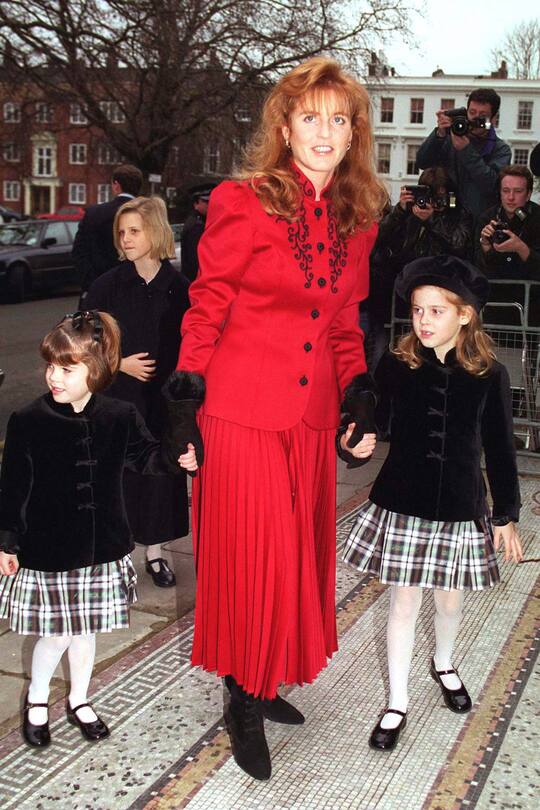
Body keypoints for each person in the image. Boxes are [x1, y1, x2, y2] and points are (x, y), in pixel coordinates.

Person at [162, 57, 384, 780]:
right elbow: (208, 302)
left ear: (355, 134)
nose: (325, 132)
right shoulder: (244, 201)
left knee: (294, 558)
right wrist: (186, 402)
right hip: (241, 409)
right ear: (285, 127)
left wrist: (358, 392)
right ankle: (241, 694)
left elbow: (346, 323)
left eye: (339, 119)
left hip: (310, 416)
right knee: (252, 556)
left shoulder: (359, 218)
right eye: (311, 117)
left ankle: (264, 675)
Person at [343, 255, 523, 752]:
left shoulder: (489, 374)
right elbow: (373, 417)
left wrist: (506, 513)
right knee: (403, 600)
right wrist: (354, 438)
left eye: (437, 311)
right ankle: (397, 700)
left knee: (449, 597)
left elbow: (501, 445)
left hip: (462, 506)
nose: (423, 320)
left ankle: (443, 662)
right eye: (418, 310)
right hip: (404, 500)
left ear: (465, 314)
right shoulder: (399, 365)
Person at [0, 311, 183, 749]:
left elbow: (148, 458)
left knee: (86, 631)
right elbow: (13, 488)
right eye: (50, 365)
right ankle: (39, 699)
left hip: (103, 545)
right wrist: (6, 541)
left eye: (67, 368)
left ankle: (80, 699)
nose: (54, 376)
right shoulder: (28, 420)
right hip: (51, 547)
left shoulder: (120, 415)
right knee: (57, 632)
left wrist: (179, 455)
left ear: (96, 369)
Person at [85, 197, 191, 588]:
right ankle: (117, 559)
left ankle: (156, 554)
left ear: (156, 231)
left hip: (162, 403)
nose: (126, 239)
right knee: (117, 477)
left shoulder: (179, 288)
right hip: (118, 399)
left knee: (160, 479)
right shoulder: (106, 286)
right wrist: (118, 364)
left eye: (135, 231)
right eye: (122, 232)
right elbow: (82, 344)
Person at [368, 166, 472, 370]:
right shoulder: (409, 215)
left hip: (443, 297)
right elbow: (376, 240)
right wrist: (400, 211)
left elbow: (459, 245)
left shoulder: (459, 215)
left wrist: (430, 221)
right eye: (429, 195)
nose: (433, 202)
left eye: (439, 195)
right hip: (404, 299)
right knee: (398, 354)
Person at [416, 89, 511, 219]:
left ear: (493, 119)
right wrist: (439, 135)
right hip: (445, 219)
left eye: (482, 115)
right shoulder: (450, 137)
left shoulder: (501, 150)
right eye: (472, 112)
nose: (476, 118)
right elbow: (422, 162)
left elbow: (493, 185)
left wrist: (466, 150)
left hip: (479, 222)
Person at [477, 165, 540, 326]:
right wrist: (485, 245)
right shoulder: (487, 217)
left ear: (528, 194)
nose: (510, 197)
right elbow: (479, 267)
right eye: (506, 190)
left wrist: (520, 247)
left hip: (531, 305)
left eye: (518, 191)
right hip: (495, 304)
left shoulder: (537, 218)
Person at [72, 164, 143, 305]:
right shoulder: (147, 215)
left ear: (116, 185)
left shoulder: (94, 214)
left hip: (99, 290)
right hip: (136, 292)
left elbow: (79, 252)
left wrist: (91, 285)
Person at [180, 184, 216, 283]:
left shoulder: (201, 222)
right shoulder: (196, 226)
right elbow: (196, 262)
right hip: (196, 283)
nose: (210, 205)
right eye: (206, 202)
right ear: (195, 204)